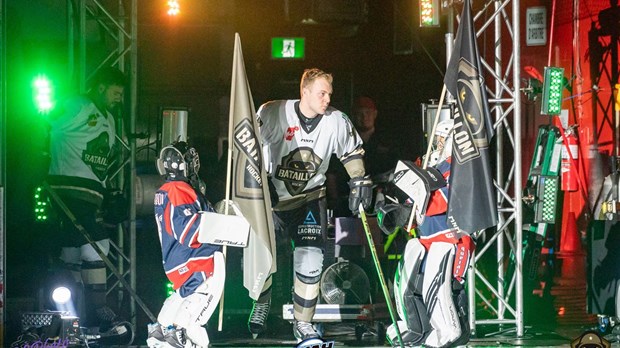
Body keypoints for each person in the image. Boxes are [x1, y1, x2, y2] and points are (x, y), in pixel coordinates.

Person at [247, 68, 373, 342]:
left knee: (311, 259)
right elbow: (247, 148)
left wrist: (359, 179)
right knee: (263, 259)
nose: (327, 99)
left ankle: (303, 323)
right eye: (321, 93)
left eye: (329, 93)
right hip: (272, 199)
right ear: (304, 92)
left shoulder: (336, 120)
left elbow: (350, 151)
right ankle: (262, 301)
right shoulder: (273, 112)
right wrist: (255, 178)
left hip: (309, 198)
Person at [378, 119, 475, 347]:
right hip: (426, 240)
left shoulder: (459, 169)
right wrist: (401, 213)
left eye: (442, 139)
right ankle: (415, 329)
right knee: (409, 286)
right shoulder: (432, 167)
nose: (437, 144)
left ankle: (450, 331)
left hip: (450, 239)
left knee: (441, 289)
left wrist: (416, 202)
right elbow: (416, 209)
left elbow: (442, 201)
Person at [46, 66, 126, 329]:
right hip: (69, 190)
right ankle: (99, 308)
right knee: (97, 247)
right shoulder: (78, 106)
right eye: (116, 92)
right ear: (101, 87)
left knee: (72, 251)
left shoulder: (110, 120)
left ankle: (73, 311)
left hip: (92, 195)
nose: (119, 99)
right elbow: (47, 118)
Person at [147, 141, 226, 348]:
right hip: (194, 258)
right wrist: (220, 224)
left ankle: (161, 328)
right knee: (200, 300)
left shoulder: (168, 189)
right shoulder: (177, 189)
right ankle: (181, 331)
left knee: (183, 293)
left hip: (177, 260)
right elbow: (188, 230)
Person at [326, 96, 398, 217]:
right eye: (360, 113)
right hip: (347, 202)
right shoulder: (345, 141)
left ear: (375, 114)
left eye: (368, 112)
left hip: (380, 202)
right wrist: (334, 200)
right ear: (353, 115)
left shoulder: (387, 141)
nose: (364, 117)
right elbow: (331, 174)